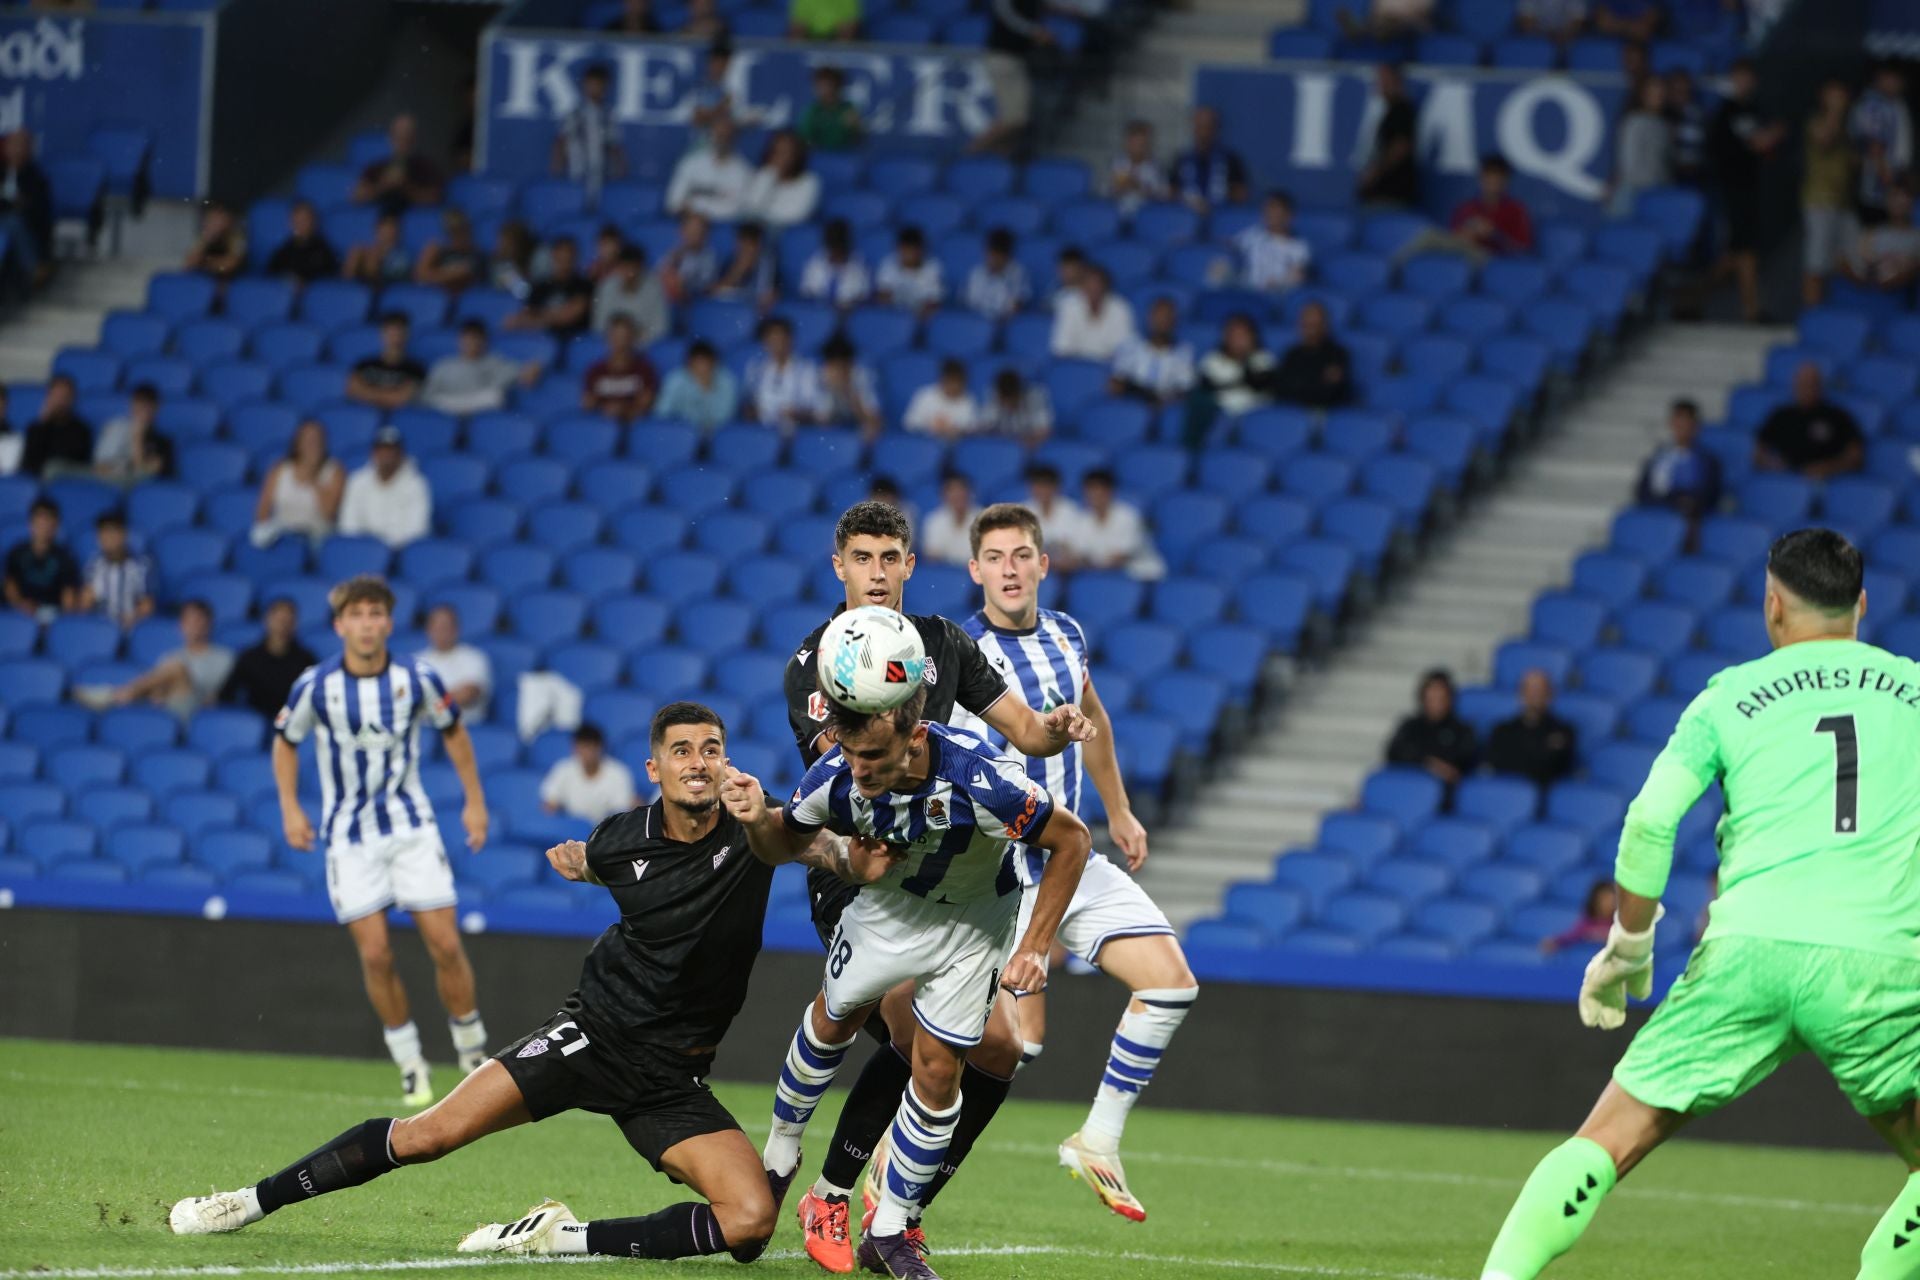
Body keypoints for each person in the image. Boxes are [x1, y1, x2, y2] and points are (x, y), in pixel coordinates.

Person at [171, 699, 877, 1263]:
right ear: (654, 768)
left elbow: (813, 847)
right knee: (427, 1137)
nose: (700, 763)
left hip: (672, 1077)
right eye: (682, 751)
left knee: (750, 1225)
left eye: (712, 749)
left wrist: (843, 851)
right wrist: (582, 865)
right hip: (590, 1038)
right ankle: (246, 1201)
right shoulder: (617, 838)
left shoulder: (756, 826)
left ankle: (560, 1237)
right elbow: (608, 866)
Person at [1479, 528, 1920, 1279]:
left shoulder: (1729, 697)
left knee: (1610, 1137)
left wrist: (1630, 947)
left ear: (1773, 605)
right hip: (1880, 962)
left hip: (1747, 948)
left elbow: (1651, 820)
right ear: (1863, 606)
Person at [771, 500, 1093, 1273]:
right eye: (863, 560)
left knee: (998, 1051)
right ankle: (836, 1192)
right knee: (906, 1028)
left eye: (891, 560)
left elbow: (1023, 729)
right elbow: (851, 765)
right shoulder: (817, 659)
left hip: (943, 870)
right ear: (838, 566)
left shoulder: (944, 643)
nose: (877, 575)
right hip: (862, 872)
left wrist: (1058, 726)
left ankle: (894, 1212)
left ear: (910, 566)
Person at [737, 686, 1094, 1280]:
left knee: (937, 1069)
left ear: (916, 738)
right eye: (852, 753)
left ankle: (889, 1230)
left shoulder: (983, 780)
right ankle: (780, 1155)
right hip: (890, 908)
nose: (861, 770)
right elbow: (784, 844)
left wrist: (1034, 946)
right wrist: (758, 822)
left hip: (976, 921)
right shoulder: (835, 775)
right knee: (834, 1015)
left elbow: (1073, 838)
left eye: (875, 755)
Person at [952, 503, 1193, 1222]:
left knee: (1172, 987)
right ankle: (899, 1165)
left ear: (1044, 564)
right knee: (1015, 1044)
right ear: (975, 571)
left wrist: (1119, 810)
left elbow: (1097, 717)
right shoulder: (962, 655)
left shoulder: (1066, 634)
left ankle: (1098, 1140)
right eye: (995, 557)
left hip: (1071, 859)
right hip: (994, 873)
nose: (1010, 568)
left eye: (1023, 554)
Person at [1709, 59, 1785, 323]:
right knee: (1741, 249)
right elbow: (1725, 150)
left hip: (1752, 187)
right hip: (1731, 189)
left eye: (1747, 77)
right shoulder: (1724, 113)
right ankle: (1749, 309)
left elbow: (1770, 149)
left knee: (1741, 249)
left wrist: (1768, 141)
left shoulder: (1755, 111)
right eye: (1738, 77)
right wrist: (1759, 141)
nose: (1743, 83)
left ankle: (1689, 298)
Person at [95, 598, 234, 719]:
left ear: (209, 624)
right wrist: (158, 694)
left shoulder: (224, 657)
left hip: (197, 708)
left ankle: (115, 695)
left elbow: (217, 695)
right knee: (169, 672)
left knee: (177, 669)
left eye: (198, 620)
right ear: (180, 626)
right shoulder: (171, 656)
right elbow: (157, 687)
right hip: (166, 707)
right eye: (188, 621)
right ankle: (122, 695)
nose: (194, 626)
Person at [1395, 154, 1534, 265]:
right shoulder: (1468, 207)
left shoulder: (1516, 210)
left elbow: (1522, 248)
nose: (1492, 184)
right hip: (1463, 254)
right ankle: (1394, 267)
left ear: (1505, 182)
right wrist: (1467, 233)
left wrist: (1493, 234)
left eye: (1497, 179)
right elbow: (1454, 237)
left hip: (1491, 259)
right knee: (1430, 235)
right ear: (1481, 179)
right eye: (1488, 178)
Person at [1182, 311, 1279, 448]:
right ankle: (1193, 456)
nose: (1238, 340)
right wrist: (1238, 383)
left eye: (1243, 335)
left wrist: (1245, 359)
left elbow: (1258, 384)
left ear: (1253, 337)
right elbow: (1206, 388)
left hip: (1255, 417)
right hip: (1220, 415)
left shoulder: (1263, 359)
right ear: (1225, 337)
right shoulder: (1213, 360)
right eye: (1234, 335)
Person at [1754, 363, 1864, 480]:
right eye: (1802, 384)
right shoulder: (1780, 415)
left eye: (1811, 384)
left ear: (1819, 386)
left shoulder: (1837, 416)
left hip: (1826, 481)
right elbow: (1758, 452)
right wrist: (1773, 465)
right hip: (1786, 479)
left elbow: (1855, 455)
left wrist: (1830, 468)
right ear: (1794, 385)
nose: (1806, 389)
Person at [1802, 78, 1858, 307]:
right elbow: (1824, 140)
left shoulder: (1848, 127)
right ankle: (1810, 317)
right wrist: (1835, 111)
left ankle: (1835, 312)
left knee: (1849, 261)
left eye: (1842, 95)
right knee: (1816, 263)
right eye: (1833, 95)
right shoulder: (1816, 122)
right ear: (1824, 97)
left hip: (1844, 203)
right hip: (1820, 200)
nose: (1839, 100)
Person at [219, 596, 317, 722]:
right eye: (279, 620)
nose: (283, 625)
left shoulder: (306, 659)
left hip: (292, 722)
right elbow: (227, 694)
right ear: (267, 620)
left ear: (295, 624)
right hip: (254, 722)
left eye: (288, 621)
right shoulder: (249, 657)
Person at [252, 419, 345, 546]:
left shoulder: (335, 471)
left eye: (316, 439)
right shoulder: (280, 469)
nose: (312, 444)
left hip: (316, 539)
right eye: (307, 439)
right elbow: (263, 509)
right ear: (297, 443)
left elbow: (329, 514)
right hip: (283, 537)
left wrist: (313, 478)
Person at [339, 425, 433, 548]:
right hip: (361, 552)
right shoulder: (357, 482)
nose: (386, 455)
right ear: (373, 453)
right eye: (381, 449)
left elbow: (417, 531)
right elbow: (348, 526)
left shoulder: (417, 485)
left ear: (400, 453)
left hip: (399, 556)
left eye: (391, 449)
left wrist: (383, 550)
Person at [976, 0, 1050, 155]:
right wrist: (1032, 30)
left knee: (1019, 122)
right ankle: (968, 154)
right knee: (1014, 119)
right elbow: (1006, 14)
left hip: (1017, 59)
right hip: (1003, 57)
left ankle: (999, 163)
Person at [1385, 669, 1477, 792]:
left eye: (1441, 694)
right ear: (1423, 696)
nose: (1436, 700)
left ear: (1450, 697)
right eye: (1432, 694)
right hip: (1406, 788)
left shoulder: (1462, 729)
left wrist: (1422, 759)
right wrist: (1428, 763)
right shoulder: (1410, 726)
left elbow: (1458, 764)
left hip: (1444, 793)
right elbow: (1393, 753)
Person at [1634, 397, 1721, 527]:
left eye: (1686, 422)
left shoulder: (1708, 461)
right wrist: (1673, 500)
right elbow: (1643, 492)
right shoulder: (1659, 457)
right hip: (1658, 516)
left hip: (1689, 519)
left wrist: (1686, 503)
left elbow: (1709, 496)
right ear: (1671, 423)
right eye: (1677, 421)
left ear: (1695, 425)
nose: (1681, 427)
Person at [423, 321, 539, 416]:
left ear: (484, 342)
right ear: (460, 340)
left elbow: (524, 371)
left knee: (495, 397)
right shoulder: (443, 365)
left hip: (479, 411)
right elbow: (429, 397)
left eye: (476, 339)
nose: (472, 343)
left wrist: (534, 367)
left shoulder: (494, 362)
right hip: (448, 409)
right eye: (468, 338)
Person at [1487, 668, 1578, 788]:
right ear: (1521, 694)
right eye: (1529, 690)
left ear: (1550, 695)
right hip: (1506, 794)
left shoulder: (1564, 731)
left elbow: (1555, 768)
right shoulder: (1502, 730)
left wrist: (1522, 756)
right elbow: (1497, 764)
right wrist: (1541, 751)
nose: (1535, 695)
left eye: (1540, 690)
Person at [1850, 62, 1913, 228]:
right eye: (1894, 79)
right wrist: (1888, 181)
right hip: (1877, 186)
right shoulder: (1872, 105)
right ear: (1880, 78)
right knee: (1877, 236)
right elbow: (1874, 145)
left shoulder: (1895, 103)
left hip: (1895, 182)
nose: (1898, 83)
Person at [539, 723, 638, 823]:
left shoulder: (618, 773)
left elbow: (622, 811)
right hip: (570, 829)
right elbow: (549, 804)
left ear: (600, 748)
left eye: (589, 747)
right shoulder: (563, 769)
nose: (585, 753)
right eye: (581, 747)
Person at [552, 63, 624, 199]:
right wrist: (557, 168)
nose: (595, 89)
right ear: (584, 85)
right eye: (591, 84)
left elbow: (614, 144)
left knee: (600, 201)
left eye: (599, 85)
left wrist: (620, 169)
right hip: (576, 171)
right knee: (574, 200)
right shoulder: (576, 114)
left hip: (602, 174)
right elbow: (561, 140)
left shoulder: (607, 115)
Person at [1076, 468, 1164, 580]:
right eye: (1089, 491)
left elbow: (1120, 558)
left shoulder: (1128, 517)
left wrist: (1091, 565)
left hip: (1140, 574)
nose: (1093, 496)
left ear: (1109, 492)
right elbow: (1080, 555)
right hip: (1102, 575)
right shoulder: (1083, 519)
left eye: (1098, 491)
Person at [1109, 296, 1196, 406]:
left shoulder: (1183, 352)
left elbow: (1185, 389)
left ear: (1174, 321)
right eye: (1158, 316)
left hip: (1163, 408)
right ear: (1149, 318)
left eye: (1167, 316)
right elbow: (1116, 383)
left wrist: (1161, 400)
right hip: (1131, 405)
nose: (1162, 321)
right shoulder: (1131, 345)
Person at [4, 497, 80, 620]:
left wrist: (62, 622)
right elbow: (10, 585)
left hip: (50, 614)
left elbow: (68, 599)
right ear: (31, 522)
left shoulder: (66, 559)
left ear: (56, 525)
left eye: (49, 520)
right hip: (18, 611)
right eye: (40, 519)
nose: (44, 525)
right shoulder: (17, 552)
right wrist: (19, 604)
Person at [1841, 177, 1920, 295]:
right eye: (1894, 196)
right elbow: (1856, 264)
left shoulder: (1916, 237)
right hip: (1867, 293)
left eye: (1904, 196)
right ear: (1886, 200)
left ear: (1912, 201)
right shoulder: (1870, 233)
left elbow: (1911, 269)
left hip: (1900, 300)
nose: (1899, 202)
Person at [666, 115, 753, 223]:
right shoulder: (691, 163)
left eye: (726, 134)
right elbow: (673, 202)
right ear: (712, 133)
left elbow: (740, 210)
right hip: (690, 224)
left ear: (734, 135)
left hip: (722, 229)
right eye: (719, 133)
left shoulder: (744, 172)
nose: (722, 138)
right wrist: (695, 215)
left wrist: (705, 215)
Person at [352, 113, 444, 214]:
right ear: (390, 138)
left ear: (414, 139)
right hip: (381, 222)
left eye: (407, 137)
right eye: (398, 137)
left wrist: (406, 187)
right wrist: (383, 185)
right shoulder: (377, 166)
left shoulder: (426, 166)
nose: (402, 142)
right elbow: (357, 197)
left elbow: (435, 198)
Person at [1356, 63, 1418, 208]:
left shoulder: (1402, 110)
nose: (1380, 85)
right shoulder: (1390, 110)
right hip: (1384, 191)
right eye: (1379, 81)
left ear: (1396, 82)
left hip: (1393, 192)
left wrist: (1375, 172)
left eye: (1384, 81)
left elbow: (1401, 146)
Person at [743, 316, 821, 429]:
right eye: (772, 339)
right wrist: (752, 411)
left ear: (790, 340)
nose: (777, 344)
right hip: (762, 431)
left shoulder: (806, 369)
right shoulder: (756, 368)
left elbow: (815, 410)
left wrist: (796, 414)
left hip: (794, 432)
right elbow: (747, 403)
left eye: (781, 339)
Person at [81, 509, 155, 629]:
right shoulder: (93, 565)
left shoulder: (142, 565)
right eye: (102, 533)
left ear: (123, 534)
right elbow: (85, 603)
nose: (107, 538)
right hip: (100, 630)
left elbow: (148, 605)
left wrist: (133, 617)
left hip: (132, 627)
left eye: (111, 532)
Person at [506, 237, 593, 338]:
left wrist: (538, 318)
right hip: (540, 342)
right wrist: (552, 316)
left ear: (575, 257)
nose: (564, 260)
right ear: (554, 255)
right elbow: (524, 315)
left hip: (571, 340)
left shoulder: (583, 285)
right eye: (561, 257)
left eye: (568, 257)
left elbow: (568, 316)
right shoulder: (541, 286)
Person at [420, 603, 494, 722]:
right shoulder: (416, 661)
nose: (441, 632)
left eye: (445, 627)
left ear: (456, 629)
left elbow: (468, 694)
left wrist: (429, 704)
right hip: (424, 731)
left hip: (463, 730)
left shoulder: (473, 658)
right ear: (428, 630)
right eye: (436, 627)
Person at [1609, 76, 1670, 219]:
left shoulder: (1664, 125)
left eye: (1661, 93)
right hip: (1632, 194)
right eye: (1653, 93)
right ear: (1643, 95)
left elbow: (1664, 163)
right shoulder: (1633, 122)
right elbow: (1628, 165)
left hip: (1656, 194)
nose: (1658, 97)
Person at [1275, 298, 1354, 409]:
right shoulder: (1292, 354)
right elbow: (1281, 389)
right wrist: (1316, 383)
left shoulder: (1337, 354)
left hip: (1324, 413)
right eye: (1306, 323)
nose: (1310, 328)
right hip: (1292, 411)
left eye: (1315, 323)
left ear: (1325, 325)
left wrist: (1301, 386)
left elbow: (1330, 393)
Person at [0, 128, 54, 288]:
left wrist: (16, 204)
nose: (16, 150)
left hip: (27, 228)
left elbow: (38, 210)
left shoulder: (35, 176)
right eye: (12, 145)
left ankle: (34, 268)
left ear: (29, 149)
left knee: (13, 223)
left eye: (20, 145)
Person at [581, 314, 659, 423]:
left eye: (624, 336)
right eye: (615, 335)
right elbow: (587, 404)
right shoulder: (596, 370)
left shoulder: (644, 369)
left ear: (632, 338)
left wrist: (622, 410)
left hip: (631, 427)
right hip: (602, 427)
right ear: (608, 337)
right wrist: (605, 410)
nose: (620, 341)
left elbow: (645, 405)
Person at [92, 383, 173, 488]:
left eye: (147, 406)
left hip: (136, 489)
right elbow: (100, 466)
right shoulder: (117, 429)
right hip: (108, 483)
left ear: (156, 408)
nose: (142, 410)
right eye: (138, 404)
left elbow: (142, 475)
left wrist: (137, 438)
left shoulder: (163, 442)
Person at [1171, 106, 1248, 214]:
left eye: (1208, 127)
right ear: (1194, 128)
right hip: (1186, 219)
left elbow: (1241, 194)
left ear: (1215, 129)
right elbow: (1171, 192)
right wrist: (1189, 200)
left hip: (1220, 218)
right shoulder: (1182, 159)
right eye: (1200, 127)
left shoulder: (1230, 159)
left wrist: (1217, 199)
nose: (1203, 133)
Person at [1051, 265, 1136, 361]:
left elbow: (1124, 351)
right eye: (1088, 284)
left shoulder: (1120, 308)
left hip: (1109, 368)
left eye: (1097, 284)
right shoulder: (1069, 306)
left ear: (1106, 286)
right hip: (1077, 366)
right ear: (1081, 287)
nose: (1093, 288)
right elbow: (1061, 348)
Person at [655, 339, 741, 433]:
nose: (701, 368)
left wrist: (706, 389)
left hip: (715, 435)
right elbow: (661, 412)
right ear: (689, 363)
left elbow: (726, 417)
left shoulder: (727, 381)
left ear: (714, 363)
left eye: (705, 363)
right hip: (681, 434)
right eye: (697, 362)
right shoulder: (675, 379)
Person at [347, 312, 427, 412]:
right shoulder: (364, 364)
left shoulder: (415, 369)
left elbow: (401, 398)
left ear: (407, 335)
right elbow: (352, 389)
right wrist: (385, 397)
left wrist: (368, 394)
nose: (395, 337)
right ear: (382, 333)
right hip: (362, 418)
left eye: (399, 332)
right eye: (391, 332)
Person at [1235, 189, 1311, 292]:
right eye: (1267, 209)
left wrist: (1280, 285)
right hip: (1248, 291)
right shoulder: (1253, 234)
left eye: (1275, 210)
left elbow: (1297, 278)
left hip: (1276, 296)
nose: (1270, 214)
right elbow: (1230, 246)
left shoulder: (1299, 247)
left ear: (1288, 216)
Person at [742, 130, 820, 229]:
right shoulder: (765, 174)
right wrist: (771, 177)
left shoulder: (809, 182)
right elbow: (751, 207)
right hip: (758, 229)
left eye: (785, 152)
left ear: (796, 156)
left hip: (787, 233)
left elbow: (797, 216)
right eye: (776, 152)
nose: (780, 157)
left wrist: (766, 217)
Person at [20, 373, 92, 478]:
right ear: (48, 398)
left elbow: (74, 461)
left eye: (64, 396)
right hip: (35, 480)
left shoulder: (82, 430)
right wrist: (43, 425)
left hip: (66, 479)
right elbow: (28, 462)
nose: (60, 401)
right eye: (56, 396)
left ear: (72, 399)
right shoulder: (36, 427)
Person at [813, 336, 883, 440]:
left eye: (841, 367)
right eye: (831, 366)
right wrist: (831, 389)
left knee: (871, 431)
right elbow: (822, 419)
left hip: (859, 434)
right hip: (835, 432)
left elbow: (875, 422)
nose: (836, 372)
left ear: (850, 365)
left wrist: (847, 392)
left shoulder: (864, 378)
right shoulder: (820, 376)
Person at [1021, 464, 1087, 571]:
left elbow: (1077, 547)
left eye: (1046, 486)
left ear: (1056, 487)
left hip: (1067, 570)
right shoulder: (1024, 512)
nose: (1042, 491)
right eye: (1038, 486)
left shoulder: (1070, 510)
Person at [798, 217, 872, 309]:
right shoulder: (816, 262)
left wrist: (848, 304)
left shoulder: (859, 266)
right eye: (833, 249)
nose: (836, 255)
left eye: (839, 250)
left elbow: (863, 296)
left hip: (847, 314)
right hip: (819, 312)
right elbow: (807, 292)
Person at [874, 225, 945, 316]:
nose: (907, 255)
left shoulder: (933, 268)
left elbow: (933, 303)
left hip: (921, 319)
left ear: (920, 251)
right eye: (903, 250)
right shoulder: (889, 263)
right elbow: (882, 297)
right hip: (894, 315)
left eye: (911, 251)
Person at [963, 226, 1031, 321]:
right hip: (976, 324)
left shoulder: (1018, 273)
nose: (993, 259)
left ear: (1007, 256)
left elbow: (1016, 307)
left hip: (1005, 325)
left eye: (997, 256)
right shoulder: (977, 273)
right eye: (990, 254)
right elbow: (968, 303)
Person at [265, 200, 340, 285]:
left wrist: (303, 283)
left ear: (313, 222)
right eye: (296, 220)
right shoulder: (284, 250)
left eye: (304, 220)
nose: (300, 224)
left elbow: (330, 279)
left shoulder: (323, 251)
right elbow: (269, 276)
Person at [903, 359, 980, 440]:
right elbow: (908, 423)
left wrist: (957, 430)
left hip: (958, 447)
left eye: (957, 382)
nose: (954, 386)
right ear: (942, 379)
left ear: (964, 383)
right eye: (950, 381)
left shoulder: (969, 400)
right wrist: (930, 425)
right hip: (926, 446)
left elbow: (975, 429)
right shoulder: (925, 395)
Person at [413, 210, 486, 294]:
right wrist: (448, 273)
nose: (458, 236)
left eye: (462, 230)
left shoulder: (477, 255)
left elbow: (462, 277)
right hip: (434, 297)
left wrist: (435, 274)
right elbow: (420, 275)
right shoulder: (437, 250)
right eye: (452, 231)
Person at [1108, 119, 1170, 216]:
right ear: (1127, 143)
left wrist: (1138, 186)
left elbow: (1164, 195)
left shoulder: (1156, 167)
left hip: (1147, 217)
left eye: (1141, 144)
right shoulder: (1117, 163)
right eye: (1134, 143)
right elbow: (1105, 192)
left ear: (1148, 144)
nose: (1137, 148)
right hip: (1119, 217)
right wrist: (1117, 188)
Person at [1539, 879, 1617, 955]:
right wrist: (1555, 942)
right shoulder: (1586, 924)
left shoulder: (1619, 924)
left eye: (1612, 899)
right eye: (1604, 898)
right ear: (1595, 900)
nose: (1609, 903)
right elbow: (1570, 936)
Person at [710, 221, 777, 308]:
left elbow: (768, 295)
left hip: (753, 309)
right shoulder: (729, 261)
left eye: (750, 244)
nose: (746, 250)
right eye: (743, 244)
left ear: (758, 246)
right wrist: (739, 270)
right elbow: (714, 292)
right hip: (731, 307)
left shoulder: (768, 264)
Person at [919, 472, 980, 566]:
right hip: (944, 575)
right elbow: (932, 558)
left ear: (970, 492)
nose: (957, 495)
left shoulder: (983, 519)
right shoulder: (934, 520)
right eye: (952, 491)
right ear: (943, 495)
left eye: (961, 489)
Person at [797, 67, 863, 153]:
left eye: (828, 85)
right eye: (819, 85)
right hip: (816, 158)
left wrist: (855, 130)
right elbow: (804, 140)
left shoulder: (848, 110)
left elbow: (859, 142)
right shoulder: (812, 111)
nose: (824, 90)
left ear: (838, 86)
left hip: (844, 158)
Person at [342, 212, 415, 287]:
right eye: (386, 228)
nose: (390, 233)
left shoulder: (403, 256)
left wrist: (376, 263)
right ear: (376, 230)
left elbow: (397, 279)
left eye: (393, 228)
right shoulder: (363, 252)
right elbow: (347, 277)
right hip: (360, 291)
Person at [1664, 68, 1709, 191]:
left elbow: (1701, 140)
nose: (1681, 95)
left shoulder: (1697, 113)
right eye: (1677, 90)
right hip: (1667, 176)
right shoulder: (1662, 114)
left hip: (1695, 173)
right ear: (1669, 92)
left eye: (1685, 91)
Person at [979, 368, 1052, 442]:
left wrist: (1023, 442)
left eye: (1011, 400)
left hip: (1027, 446)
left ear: (1018, 394)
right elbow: (983, 427)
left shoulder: (1035, 397)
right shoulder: (994, 396)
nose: (1007, 405)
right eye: (1004, 401)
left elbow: (1045, 431)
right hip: (1006, 446)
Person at [661, 212, 719, 304]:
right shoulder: (674, 253)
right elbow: (660, 275)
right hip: (670, 301)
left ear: (705, 233)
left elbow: (707, 285)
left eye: (697, 230)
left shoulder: (709, 256)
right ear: (681, 231)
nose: (693, 234)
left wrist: (682, 284)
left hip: (695, 302)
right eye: (690, 229)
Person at [184, 201, 247, 284]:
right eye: (211, 219)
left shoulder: (236, 237)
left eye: (218, 219)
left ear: (228, 220)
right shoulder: (204, 236)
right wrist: (208, 238)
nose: (214, 223)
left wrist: (205, 263)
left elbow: (229, 265)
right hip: (204, 281)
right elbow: (188, 264)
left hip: (231, 281)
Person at [489, 220, 537, 301]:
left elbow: (526, 293)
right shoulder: (501, 267)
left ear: (519, 244)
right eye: (501, 242)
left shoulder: (535, 260)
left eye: (507, 243)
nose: (501, 247)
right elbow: (521, 290)